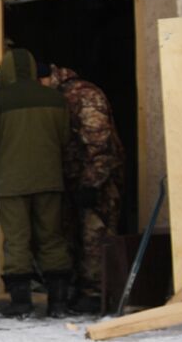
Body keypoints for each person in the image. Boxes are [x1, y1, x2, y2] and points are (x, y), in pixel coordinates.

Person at [0, 48, 72, 318]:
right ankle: (59, 304)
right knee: (52, 238)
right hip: (50, 179)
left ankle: (21, 303)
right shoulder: (57, 100)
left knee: (17, 241)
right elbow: (65, 139)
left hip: (11, 183)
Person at [47, 63, 126, 314]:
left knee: (95, 236)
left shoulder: (85, 94)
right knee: (74, 235)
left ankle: (95, 294)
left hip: (97, 182)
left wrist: (91, 183)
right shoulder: (59, 95)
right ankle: (79, 290)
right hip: (74, 179)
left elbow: (99, 142)